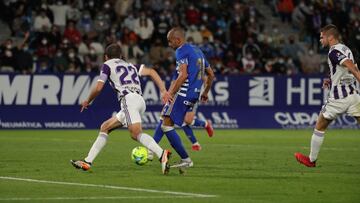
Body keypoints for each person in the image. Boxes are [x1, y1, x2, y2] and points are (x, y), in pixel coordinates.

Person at [71, 44, 171, 174]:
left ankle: (161, 153)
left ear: (106, 57)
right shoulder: (130, 65)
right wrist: (163, 90)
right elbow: (151, 72)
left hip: (128, 100)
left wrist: (87, 101)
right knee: (105, 127)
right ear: (121, 56)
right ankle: (87, 161)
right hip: (140, 101)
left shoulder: (107, 65)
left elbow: (98, 87)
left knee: (135, 133)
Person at [295, 24, 360, 167]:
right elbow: (344, 69)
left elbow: (351, 67)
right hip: (354, 95)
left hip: (339, 98)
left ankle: (311, 160)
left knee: (320, 125)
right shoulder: (346, 48)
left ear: (330, 37)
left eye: (321, 37)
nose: (320, 40)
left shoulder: (334, 52)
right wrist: (330, 79)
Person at [156, 27, 214, 170]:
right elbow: (211, 74)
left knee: (166, 124)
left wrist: (170, 93)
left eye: (170, 41)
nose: (169, 44)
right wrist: (205, 92)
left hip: (183, 92)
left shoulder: (181, 51)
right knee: (165, 117)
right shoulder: (197, 50)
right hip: (194, 94)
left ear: (178, 40)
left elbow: (183, 75)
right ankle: (152, 149)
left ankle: (186, 159)